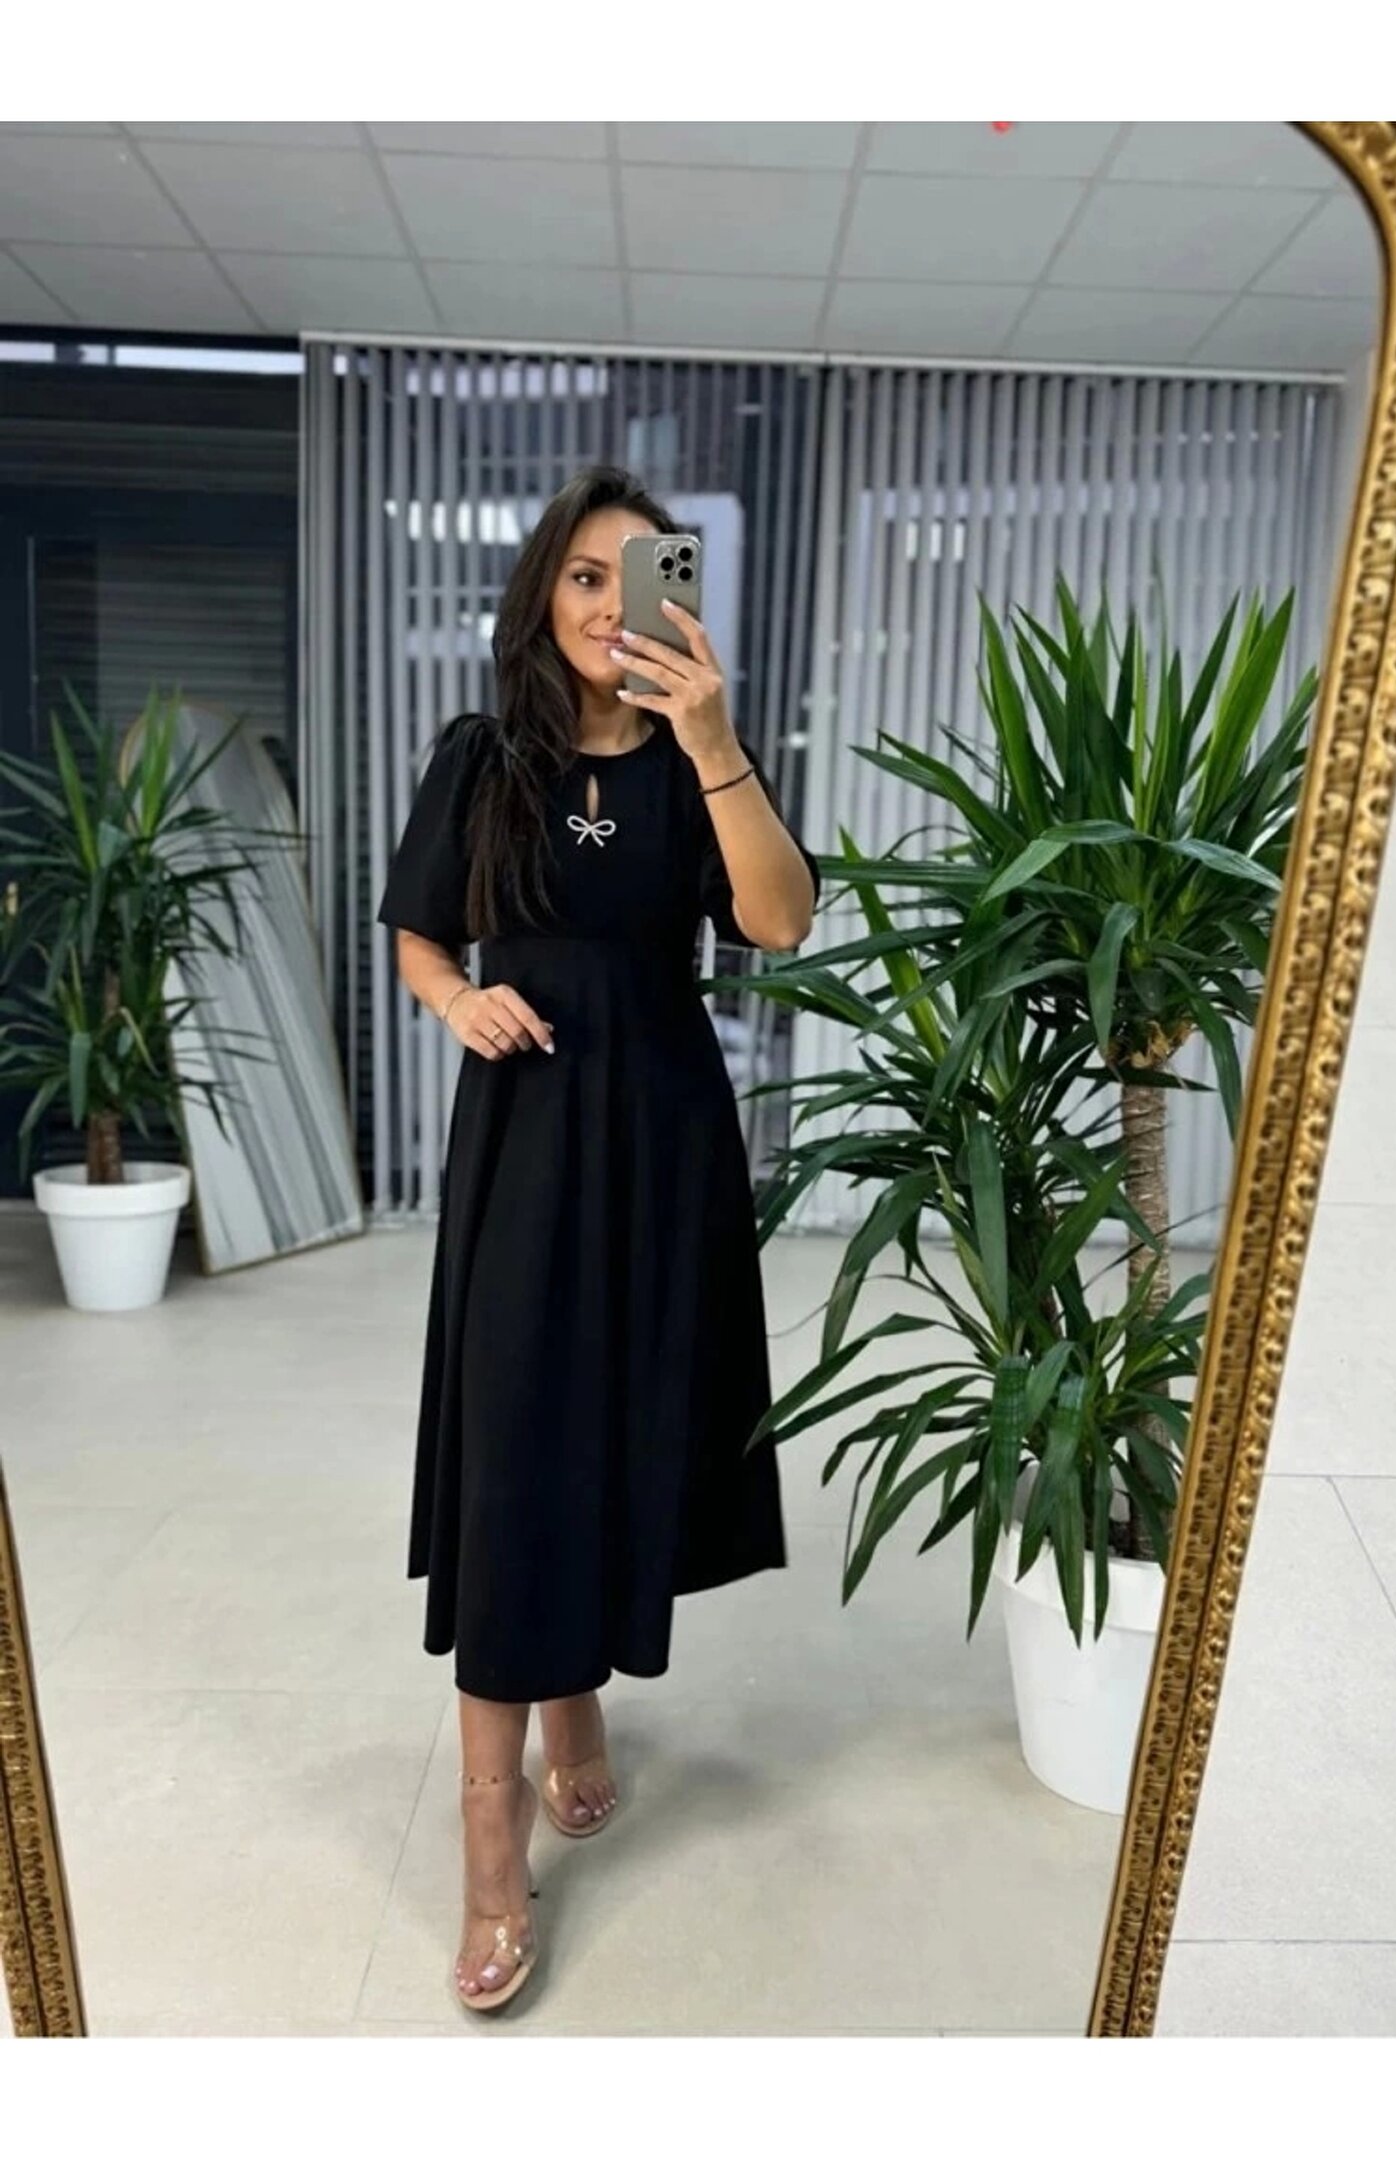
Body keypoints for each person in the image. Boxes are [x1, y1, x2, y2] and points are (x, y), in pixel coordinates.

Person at [376, 465, 822, 2012]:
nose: (603, 603)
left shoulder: (703, 761)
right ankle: (489, 1845)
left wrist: (714, 741)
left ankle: (578, 1709)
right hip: (525, 1142)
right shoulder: (483, 754)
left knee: (618, 1433)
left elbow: (779, 922)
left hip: (664, 1143)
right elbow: (421, 930)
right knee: (517, 1452)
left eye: (634, 576)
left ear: (670, 599)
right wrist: (457, 999)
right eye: (581, 574)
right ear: (542, 595)